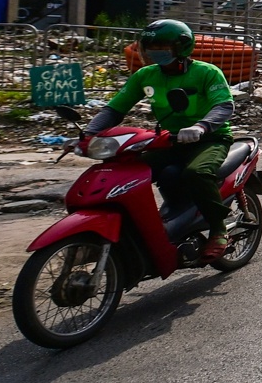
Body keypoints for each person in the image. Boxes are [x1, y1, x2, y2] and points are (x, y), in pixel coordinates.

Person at [83, 19, 236, 262]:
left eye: (162, 45)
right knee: (128, 171)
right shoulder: (145, 75)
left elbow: (224, 106)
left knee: (196, 173)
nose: (155, 51)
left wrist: (201, 126)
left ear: (182, 47)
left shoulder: (207, 72)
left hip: (210, 139)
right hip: (170, 140)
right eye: (150, 46)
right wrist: (87, 134)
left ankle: (218, 228)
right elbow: (114, 109)